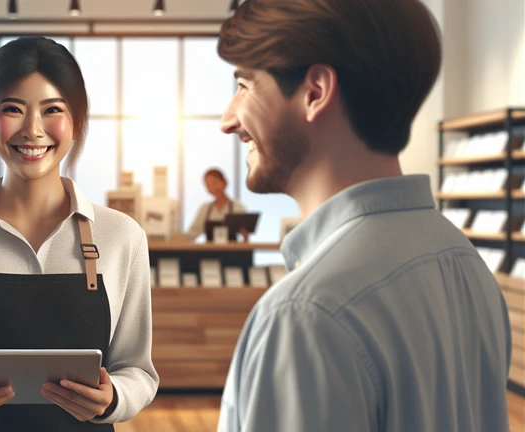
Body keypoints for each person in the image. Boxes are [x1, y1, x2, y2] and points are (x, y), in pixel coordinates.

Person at [216, 1, 511, 431]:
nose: (228, 120)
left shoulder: (305, 314)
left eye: (244, 85)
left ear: (315, 91)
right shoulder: (466, 264)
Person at [0, 37, 158, 431]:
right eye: (12, 109)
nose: (33, 130)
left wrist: (114, 399)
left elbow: (137, 370)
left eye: (52, 110)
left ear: (77, 122)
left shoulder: (122, 236)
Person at [183, 168, 246, 241]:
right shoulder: (205, 208)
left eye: (214, 183)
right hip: (209, 251)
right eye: (208, 186)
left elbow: (245, 235)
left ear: (225, 182)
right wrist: (176, 238)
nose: (212, 188)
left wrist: (245, 238)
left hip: (232, 251)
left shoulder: (238, 207)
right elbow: (192, 233)